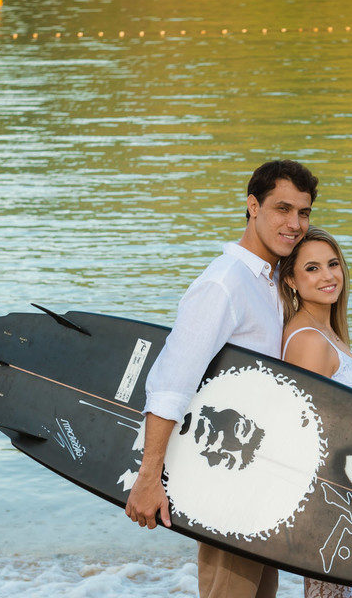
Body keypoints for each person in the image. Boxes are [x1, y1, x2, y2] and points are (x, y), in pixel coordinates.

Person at [125, 159, 319, 598]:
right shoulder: (225, 284)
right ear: (253, 206)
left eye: (303, 212)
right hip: (225, 481)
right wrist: (148, 477)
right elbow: (171, 382)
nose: (294, 224)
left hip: (256, 477)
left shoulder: (271, 281)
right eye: (283, 209)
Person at [278, 227, 352, 598]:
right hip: (327, 505)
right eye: (312, 268)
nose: (328, 276)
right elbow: (303, 435)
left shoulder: (327, 333)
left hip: (341, 496)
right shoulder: (310, 341)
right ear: (291, 280)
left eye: (332, 264)